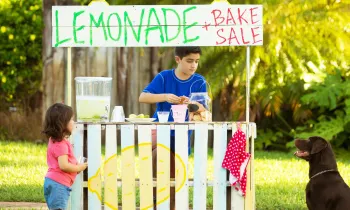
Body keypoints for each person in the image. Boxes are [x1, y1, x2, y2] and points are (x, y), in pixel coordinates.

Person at [139, 46, 207, 209]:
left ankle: (169, 202)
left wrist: (190, 104)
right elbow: (143, 97)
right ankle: (161, 201)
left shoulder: (199, 82)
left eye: (196, 61)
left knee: (175, 171)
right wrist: (165, 97)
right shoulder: (164, 77)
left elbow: (204, 109)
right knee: (159, 156)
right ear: (178, 59)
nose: (193, 66)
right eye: (189, 61)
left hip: (183, 135)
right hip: (159, 132)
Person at [42, 103, 88, 210]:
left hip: (51, 182)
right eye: (71, 119)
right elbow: (64, 165)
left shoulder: (53, 140)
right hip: (59, 185)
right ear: (62, 123)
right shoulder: (61, 144)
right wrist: (79, 168)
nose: (73, 122)